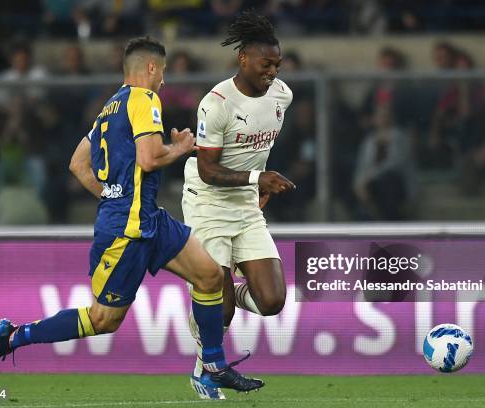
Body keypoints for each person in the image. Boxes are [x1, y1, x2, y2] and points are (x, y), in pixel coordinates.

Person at [0, 37, 264, 394]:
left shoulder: (108, 108)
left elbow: (77, 164)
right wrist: (179, 147)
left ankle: (213, 366)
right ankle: (15, 336)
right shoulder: (145, 99)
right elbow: (148, 158)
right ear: (150, 68)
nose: (163, 82)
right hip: (126, 231)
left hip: (148, 218)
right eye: (161, 73)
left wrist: (115, 195)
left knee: (209, 276)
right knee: (103, 320)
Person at [181, 10, 294, 399]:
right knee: (220, 303)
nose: (273, 71)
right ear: (243, 58)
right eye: (267, 63)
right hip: (208, 202)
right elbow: (209, 170)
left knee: (273, 301)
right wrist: (256, 178)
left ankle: (211, 300)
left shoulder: (282, 95)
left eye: (277, 64)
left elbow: (257, 148)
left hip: (245, 203)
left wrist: (257, 182)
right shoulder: (216, 105)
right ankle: (204, 370)